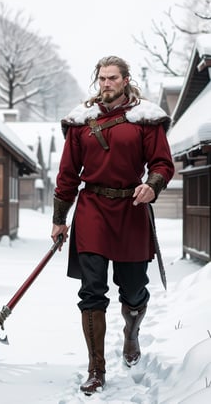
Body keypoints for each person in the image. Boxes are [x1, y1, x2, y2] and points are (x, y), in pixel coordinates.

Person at [51, 55, 174, 396]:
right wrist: (59, 220)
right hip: (92, 210)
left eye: (112, 78)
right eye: (102, 78)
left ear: (125, 80)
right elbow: (66, 175)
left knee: (133, 290)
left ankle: (131, 331)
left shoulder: (144, 119)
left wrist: (152, 185)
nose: (106, 84)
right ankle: (96, 369)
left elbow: (162, 163)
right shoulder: (81, 123)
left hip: (131, 208)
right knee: (92, 291)